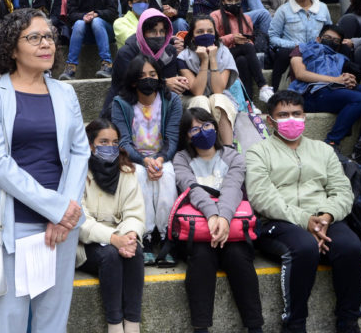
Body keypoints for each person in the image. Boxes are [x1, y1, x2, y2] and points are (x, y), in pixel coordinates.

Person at [0, 8, 90, 332]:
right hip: (13, 223)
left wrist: (65, 213)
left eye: (48, 36)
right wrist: (57, 208)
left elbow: (80, 151)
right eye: (34, 38)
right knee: (7, 322)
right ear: (12, 48)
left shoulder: (65, 92)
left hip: (61, 228)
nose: (45, 44)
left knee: (53, 322)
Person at [246, 90, 361, 333]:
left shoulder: (323, 150)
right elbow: (261, 197)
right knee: (304, 247)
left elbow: (342, 191)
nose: (291, 119)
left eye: (296, 113)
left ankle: (348, 321)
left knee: (351, 247)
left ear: (305, 117)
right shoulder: (258, 152)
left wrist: (326, 217)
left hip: (323, 218)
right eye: (283, 114)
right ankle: (294, 324)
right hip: (278, 221)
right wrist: (304, 220)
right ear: (270, 121)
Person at [173, 107, 264, 333]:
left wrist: (223, 218)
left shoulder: (233, 157)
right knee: (201, 258)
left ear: (215, 127)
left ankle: (255, 327)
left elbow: (233, 188)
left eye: (206, 125)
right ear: (187, 136)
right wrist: (212, 215)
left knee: (239, 257)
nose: (202, 131)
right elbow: (191, 189)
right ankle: (201, 328)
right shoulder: (181, 159)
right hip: (199, 229)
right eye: (195, 129)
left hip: (230, 224)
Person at [111, 54, 182, 266]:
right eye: (142, 76)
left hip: (162, 156)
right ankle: (146, 235)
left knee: (167, 175)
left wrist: (160, 159)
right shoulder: (121, 103)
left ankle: (167, 235)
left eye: (152, 74)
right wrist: (144, 160)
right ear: (133, 81)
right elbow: (123, 141)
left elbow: (172, 138)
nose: (148, 79)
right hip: (134, 157)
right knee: (139, 175)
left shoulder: (171, 100)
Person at [78, 119, 145, 333]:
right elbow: (81, 221)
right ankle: (114, 324)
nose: (110, 147)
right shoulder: (78, 172)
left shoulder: (126, 171)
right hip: (86, 243)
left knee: (136, 252)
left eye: (115, 142)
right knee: (110, 255)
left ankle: (132, 324)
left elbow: (134, 212)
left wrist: (130, 236)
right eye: (104, 142)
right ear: (91, 145)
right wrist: (114, 238)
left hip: (120, 237)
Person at [288, 24, 361, 148]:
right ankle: (331, 142)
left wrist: (349, 80)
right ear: (318, 39)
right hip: (312, 93)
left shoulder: (341, 58)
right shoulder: (302, 49)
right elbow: (300, 74)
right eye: (327, 37)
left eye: (336, 41)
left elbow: (345, 79)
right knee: (360, 99)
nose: (331, 41)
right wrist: (336, 80)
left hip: (335, 90)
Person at [103, 9, 189, 116]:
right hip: (125, 105)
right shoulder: (126, 53)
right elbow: (129, 85)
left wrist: (179, 83)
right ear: (142, 32)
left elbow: (170, 84)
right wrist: (164, 83)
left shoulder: (169, 52)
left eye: (162, 31)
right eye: (153, 31)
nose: (158, 36)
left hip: (157, 105)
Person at [177, 15, 240, 146]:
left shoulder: (224, 53)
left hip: (219, 96)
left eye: (210, 31)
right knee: (201, 100)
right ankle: (204, 146)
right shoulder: (183, 57)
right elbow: (197, 91)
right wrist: (204, 61)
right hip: (191, 99)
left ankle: (228, 148)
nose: (205, 35)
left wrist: (212, 59)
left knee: (218, 99)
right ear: (192, 36)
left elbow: (218, 90)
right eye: (200, 32)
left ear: (215, 33)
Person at [60, 0, 118, 80]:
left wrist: (97, 14)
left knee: (97, 22)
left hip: (105, 30)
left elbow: (113, 12)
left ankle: (107, 64)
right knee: (79, 23)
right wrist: (84, 17)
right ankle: (71, 67)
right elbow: (71, 14)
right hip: (83, 31)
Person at [269, 0, 332, 91]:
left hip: (316, 50)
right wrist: (296, 45)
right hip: (292, 52)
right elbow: (273, 36)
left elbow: (329, 31)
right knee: (283, 53)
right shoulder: (283, 10)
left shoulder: (323, 8)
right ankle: (276, 92)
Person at [211, 0, 274, 102]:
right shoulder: (215, 16)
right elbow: (212, 41)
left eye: (237, 0)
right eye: (229, 0)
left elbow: (249, 40)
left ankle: (248, 102)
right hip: (220, 54)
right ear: (223, 1)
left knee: (242, 60)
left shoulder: (246, 18)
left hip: (237, 55)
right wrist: (232, 38)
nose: (233, 3)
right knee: (248, 48)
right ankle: (263, 85)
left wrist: (245, 40)